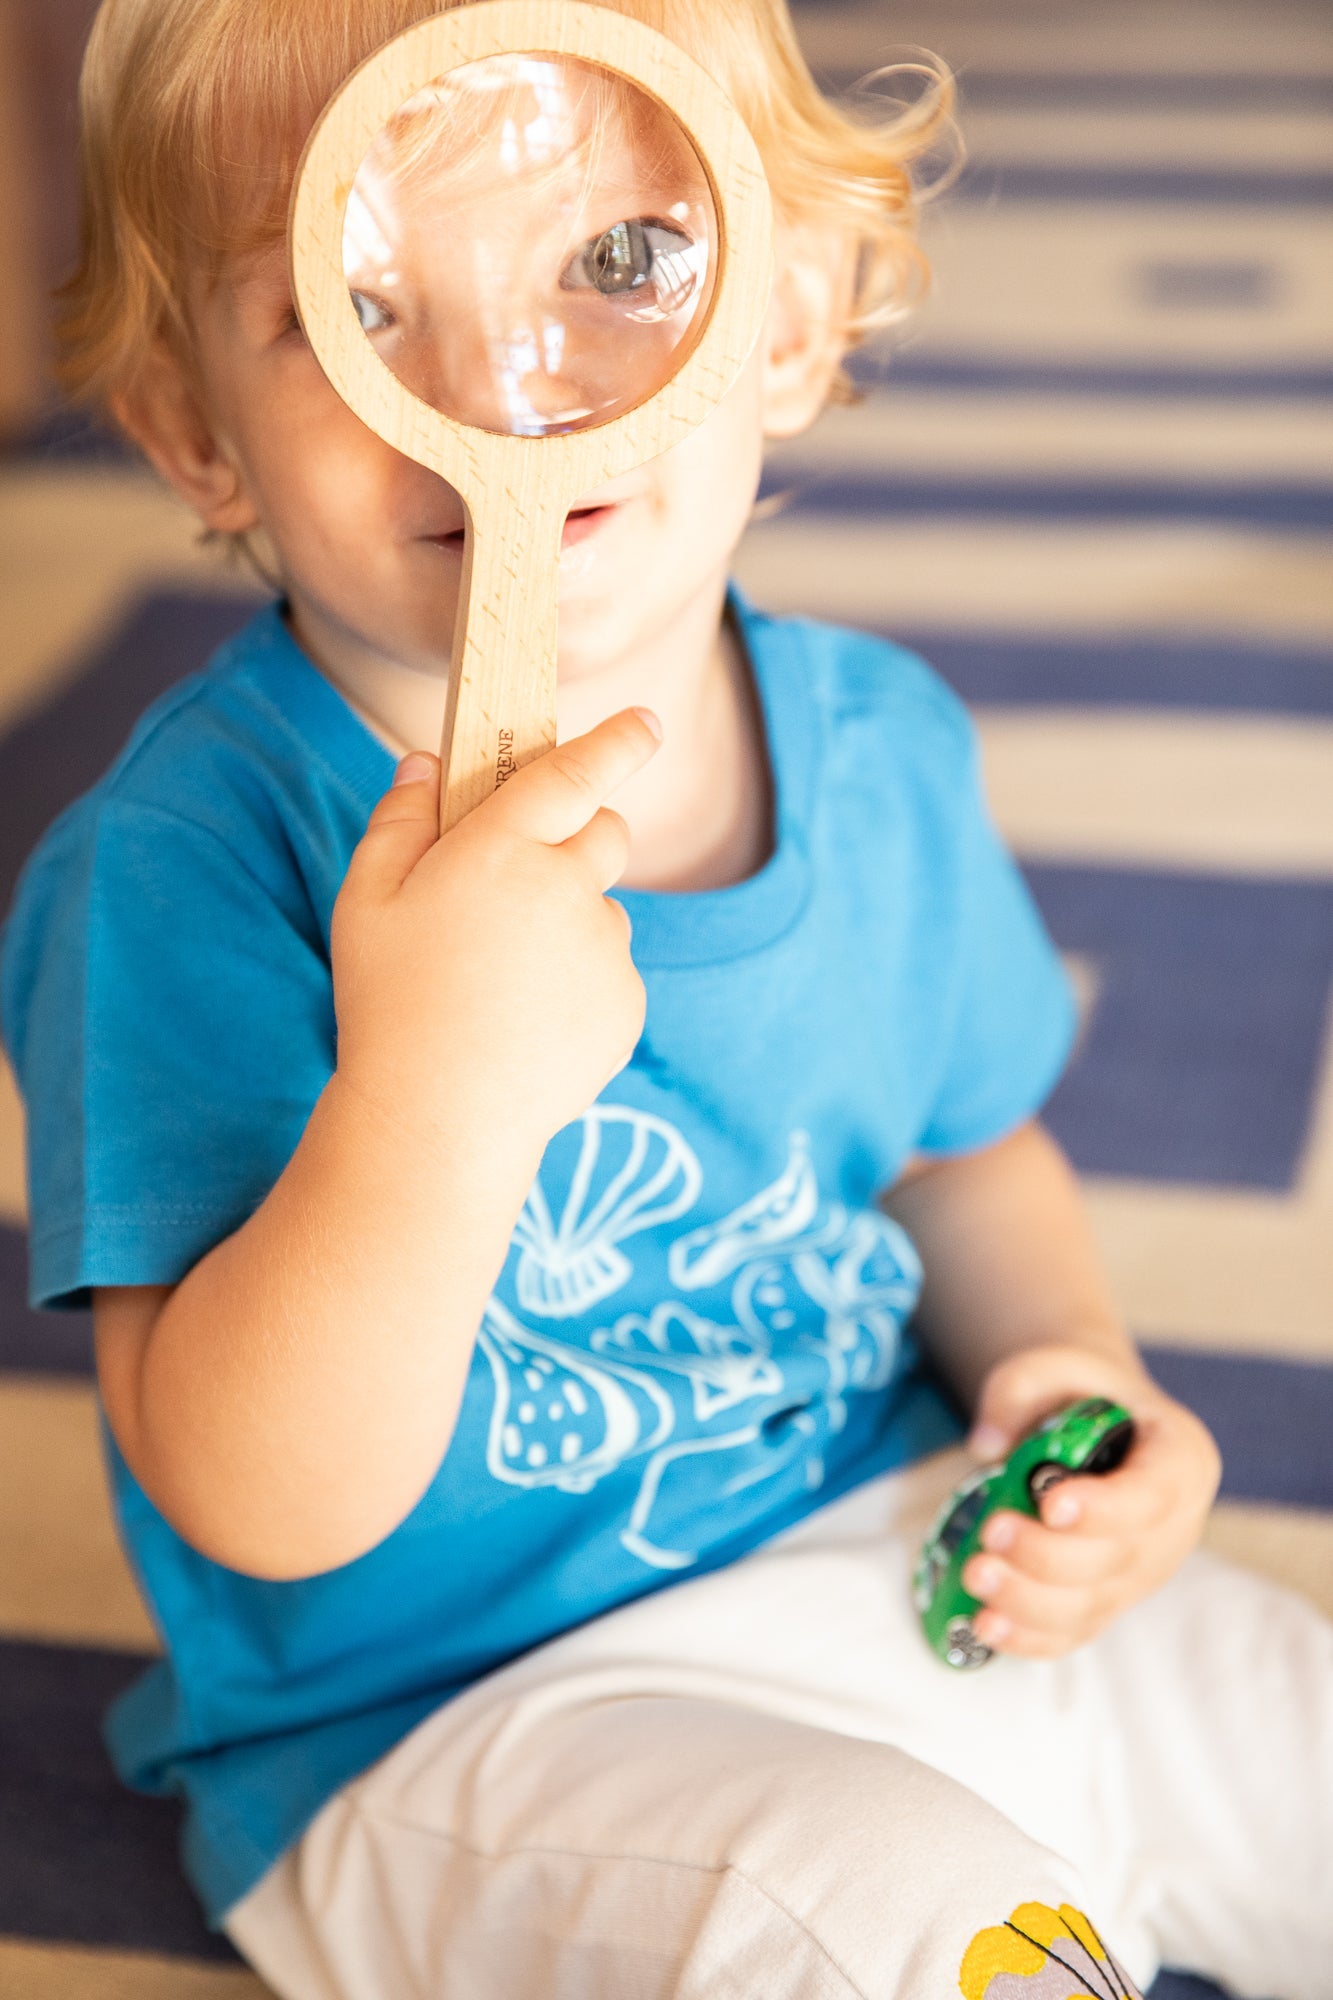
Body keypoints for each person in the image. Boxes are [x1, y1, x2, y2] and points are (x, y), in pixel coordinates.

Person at [2, 0, 1330, 1994]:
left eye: (616, 260)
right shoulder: (188, 862)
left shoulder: (874, 746)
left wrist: (1068, 1375)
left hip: (915, 1557)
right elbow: (253, 1500)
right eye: (358, 309)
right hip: (468, 1724)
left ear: (785, 319)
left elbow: (957, 1156)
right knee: (898, 1920)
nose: (500, 389)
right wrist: (430, 1092)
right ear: (199, 435)